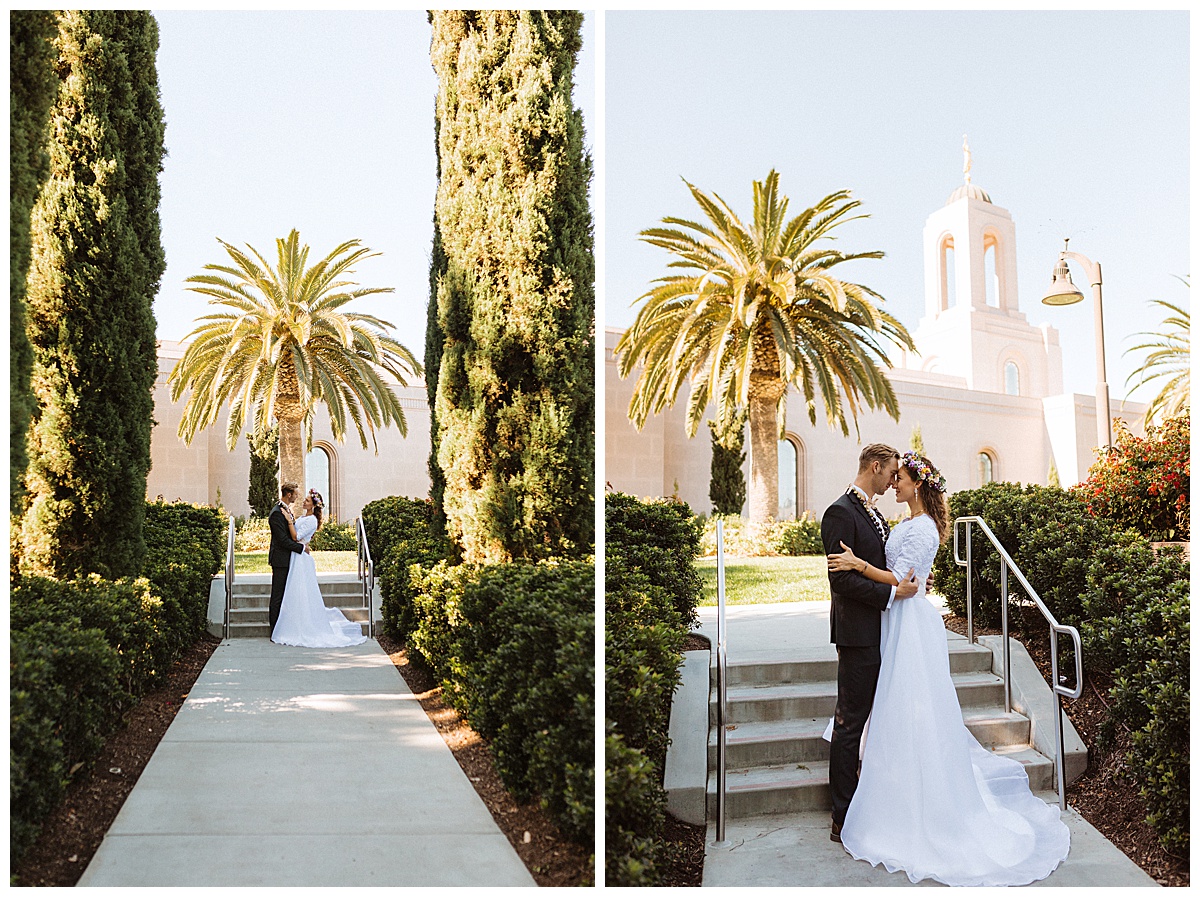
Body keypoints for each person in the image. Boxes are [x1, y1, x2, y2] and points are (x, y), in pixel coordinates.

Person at [824, 451, 1070, 886]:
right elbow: (899, 578)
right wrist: (890, 578)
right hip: (886, 624)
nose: (894, 484)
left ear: (916, 484)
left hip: (906, 625)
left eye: (900, 478)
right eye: (893, 476)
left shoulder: (921, 528)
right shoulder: (890, 521)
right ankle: (874, 803)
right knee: (888, 715)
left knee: (910, 710)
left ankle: (911, 807)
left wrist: (861, 565)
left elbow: (903, 581)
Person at [822, 444, 919, 845]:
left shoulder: (873, 513)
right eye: (890, 472)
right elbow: (840, 581)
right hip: (857, 635)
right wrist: (892, 595)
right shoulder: (839, 513)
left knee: (872, 723)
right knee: (849, 725)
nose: (893, 479)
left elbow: (870, 567)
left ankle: (870, 802)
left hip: (879, 632)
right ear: (874, 467)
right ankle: (842, 818)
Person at [271, 489, 367, 648]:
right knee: (293, 593)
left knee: (301, 592)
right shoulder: (304, 517)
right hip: (295, 556)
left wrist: (288, 520)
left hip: (301, 559)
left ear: (314, 506)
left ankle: (302, 627)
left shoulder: (312, 521)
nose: (304, 502)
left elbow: (296, 537)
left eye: (307, 501)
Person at [268, 482, 307, 635]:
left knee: (284, 594)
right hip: (280, 560)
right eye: (295, 494)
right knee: (277, 595)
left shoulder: (285, 510)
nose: (297, 497)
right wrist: (302, 548)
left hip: (287, 558)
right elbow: (282, 540)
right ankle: (274, 631)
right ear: (289, 494)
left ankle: (283, 627)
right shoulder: (277, 512)